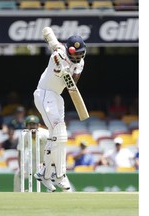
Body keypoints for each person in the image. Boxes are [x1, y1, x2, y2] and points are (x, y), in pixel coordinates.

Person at [33, 28, 87, 192]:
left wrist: (71, 73)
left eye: (80, 54)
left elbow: (72, 85)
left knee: (60, 137)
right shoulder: (58, 55)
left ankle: (46, 173)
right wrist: (60, 69)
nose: (78, 58)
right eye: (75, 55)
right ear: (69, 51)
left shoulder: (80, 63)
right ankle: (59, 174)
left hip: (57, 97)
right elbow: (50, 37)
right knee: (59, 134)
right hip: (44, 93)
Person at [13, 115, 49, 192]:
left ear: (38, 125)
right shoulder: (24, 135)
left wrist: (45, 162)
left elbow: (52, 149)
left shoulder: (46, 134)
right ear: (26, 126)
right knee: (18, 174)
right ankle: (17, 193)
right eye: (30, 124)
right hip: (34, 160)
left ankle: (67, 191)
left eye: (34, 124)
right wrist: (21, 168)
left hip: (48, 160)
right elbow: (20, 152)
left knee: (56, 176)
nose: (32, 126)